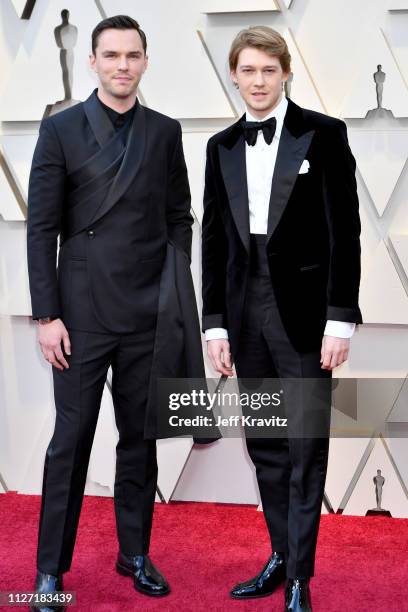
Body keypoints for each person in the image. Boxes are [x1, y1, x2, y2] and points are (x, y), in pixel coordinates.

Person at [27, 14, 193, 609]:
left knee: (139, 441)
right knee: (68, 442)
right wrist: (46, 315)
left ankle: (135, 553)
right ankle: (49, 570)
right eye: (112, 55)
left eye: (133, 55)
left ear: (145, 62)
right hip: (79, 315)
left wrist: (174, 286)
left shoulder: (165, 132)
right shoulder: (62, 130)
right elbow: (42, 226)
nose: (123, 65)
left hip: (148, 312)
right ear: (94, 62)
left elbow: (180, 216)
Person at [201, 26, 362, 612]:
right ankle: (279, 555)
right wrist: (214, 325)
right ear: (235, 75)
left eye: (269, 70)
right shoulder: (219, 146)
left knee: (304, 446)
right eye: (248, 70)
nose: (259, 81)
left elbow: (347, 234)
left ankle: (300, 575)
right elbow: (213, 244)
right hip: (245, 317)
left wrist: (339, 320)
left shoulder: (324, 135)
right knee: (266, 444)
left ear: (286, 72)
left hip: (304, 316)